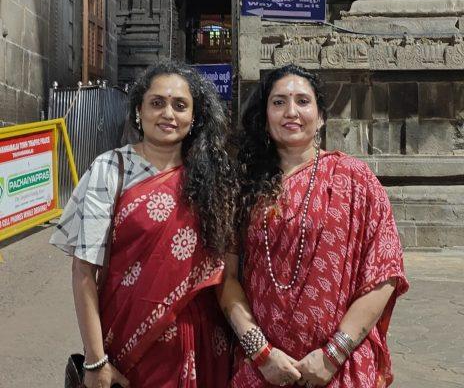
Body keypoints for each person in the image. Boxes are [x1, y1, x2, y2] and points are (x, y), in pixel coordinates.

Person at [217, 64, 408, 388]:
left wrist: (333, 354)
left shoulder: (355, 180)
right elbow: (226, 278)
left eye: (303, 101)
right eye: (279, 102)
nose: (291, 111)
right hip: (262, 369)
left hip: (340, 367)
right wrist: (261, 353)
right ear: (265, 116)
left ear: (320, 117)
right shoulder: (243, 187)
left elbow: (384, 272)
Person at [51, 61, 234, 388]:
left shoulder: (213, 178)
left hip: (203, 343)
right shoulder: (110, 169)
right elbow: (83, 270)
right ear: (139, 111)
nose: (168, 114)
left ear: (194, 117)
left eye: (180, 105)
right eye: (157, 103)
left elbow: (227, 272)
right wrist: (95, 359)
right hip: (128, 344)